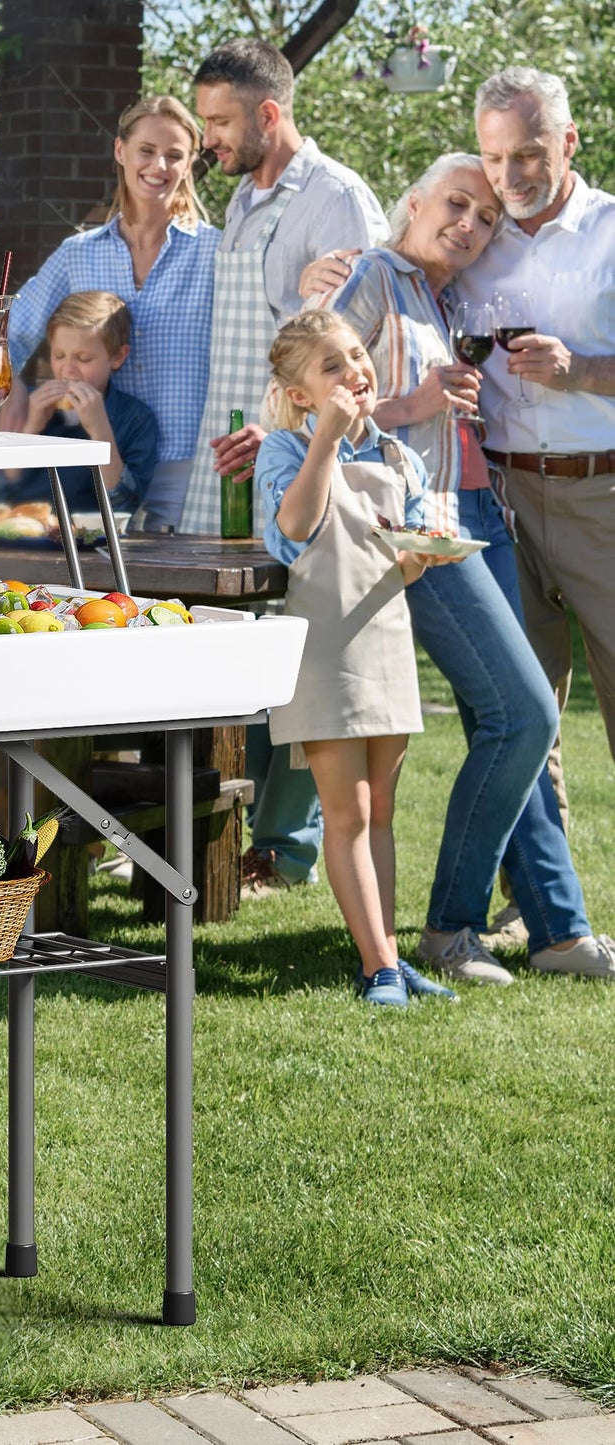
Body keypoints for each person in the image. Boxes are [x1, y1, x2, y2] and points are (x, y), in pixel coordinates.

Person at [308, 154, 615, 982]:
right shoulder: (373, 274)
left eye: (483, 218)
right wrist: (412, 405)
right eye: (455, 203)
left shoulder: (446, 299)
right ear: (410, 204)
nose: (469, 224)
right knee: (522, 713)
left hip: (477, 513)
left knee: (507, 719)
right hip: (415, 530)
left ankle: (556, 930)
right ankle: (450, 927)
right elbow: (310, 377)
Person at [185, 40, 387, 899]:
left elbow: (360, 335)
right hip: (250, 447)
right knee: (249, 638)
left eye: (221, 122)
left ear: (269, 114)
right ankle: (233, 830)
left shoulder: (336, 197)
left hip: (313, 454)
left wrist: (316, 302)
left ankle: (287, 846)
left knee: (309, 643)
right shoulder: (240, 194)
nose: (209, 140)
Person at [256, 312, 455, 1007]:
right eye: (331, 367)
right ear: (302, 393)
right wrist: (325, 445)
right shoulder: (284, 450)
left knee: (383, 811)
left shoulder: (401, 458)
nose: (352, 373)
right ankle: (377, 968)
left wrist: (420, 557)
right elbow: (293, 532)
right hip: (325, 650)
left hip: (384, 639)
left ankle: (390, 959)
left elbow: (396, 565)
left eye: (355, 357)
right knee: (347, 812)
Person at [461, 69, 615, 777]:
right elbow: (397, 268)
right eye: (492, 158)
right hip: (499, 501)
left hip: (600, 499)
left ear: (567, 141)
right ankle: (539, 894)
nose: (507, 175)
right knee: (522, 724)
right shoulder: (473, 234)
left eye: (525, 153)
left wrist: (578, 371)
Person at [4, 95, 218, 531]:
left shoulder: (216, 252)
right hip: (93, 466)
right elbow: (7, 337)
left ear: (189, 163)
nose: (159, 165)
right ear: (120, 151)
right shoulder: (76, 255)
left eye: (174, 155)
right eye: (146, 150)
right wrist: (17, 423)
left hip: (186, 470)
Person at [0, 292, 158, 514]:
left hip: (93, 543)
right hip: (25, 535)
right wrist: (30, 429)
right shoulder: (29, 404)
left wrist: (100, 430)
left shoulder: (136, 418)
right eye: (59, 355)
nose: (67, 370)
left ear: (118, 356)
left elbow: (123, 506)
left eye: (83, 358)